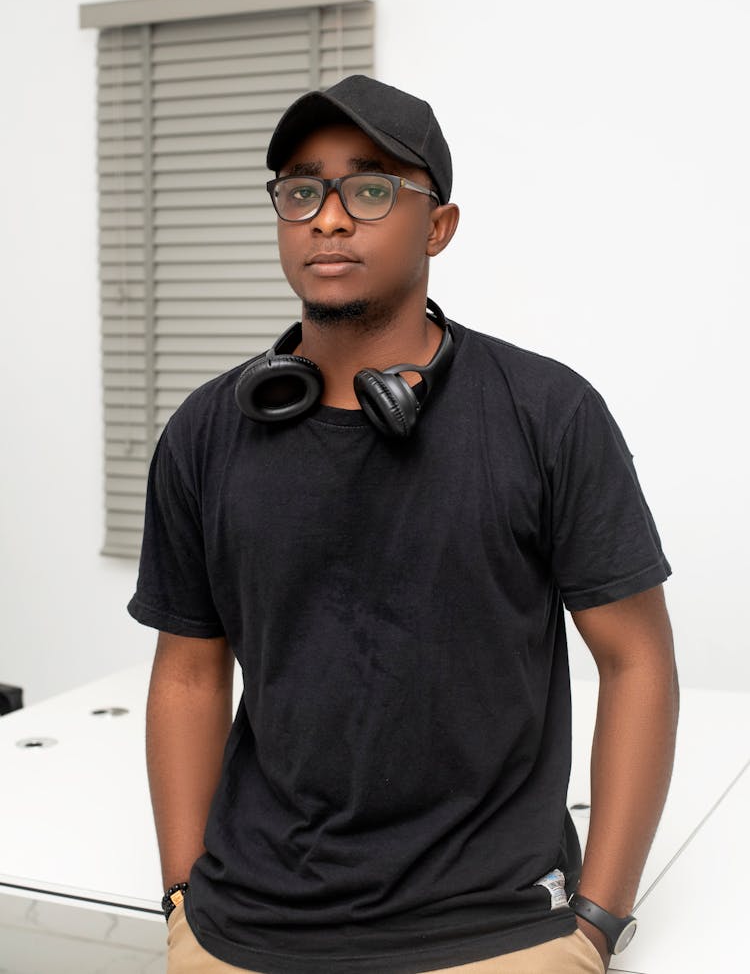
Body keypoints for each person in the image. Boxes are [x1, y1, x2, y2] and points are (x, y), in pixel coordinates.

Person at [129, 75, 679, 974]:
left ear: (438, 225)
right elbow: (190, 674)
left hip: (498, 928)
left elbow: (637, 658)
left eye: (372, 187)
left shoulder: (547, 413)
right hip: (245, 927)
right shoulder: (205, 430)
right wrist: (183, 899)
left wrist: (597, 919)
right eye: (302, 189)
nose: (330, 218)